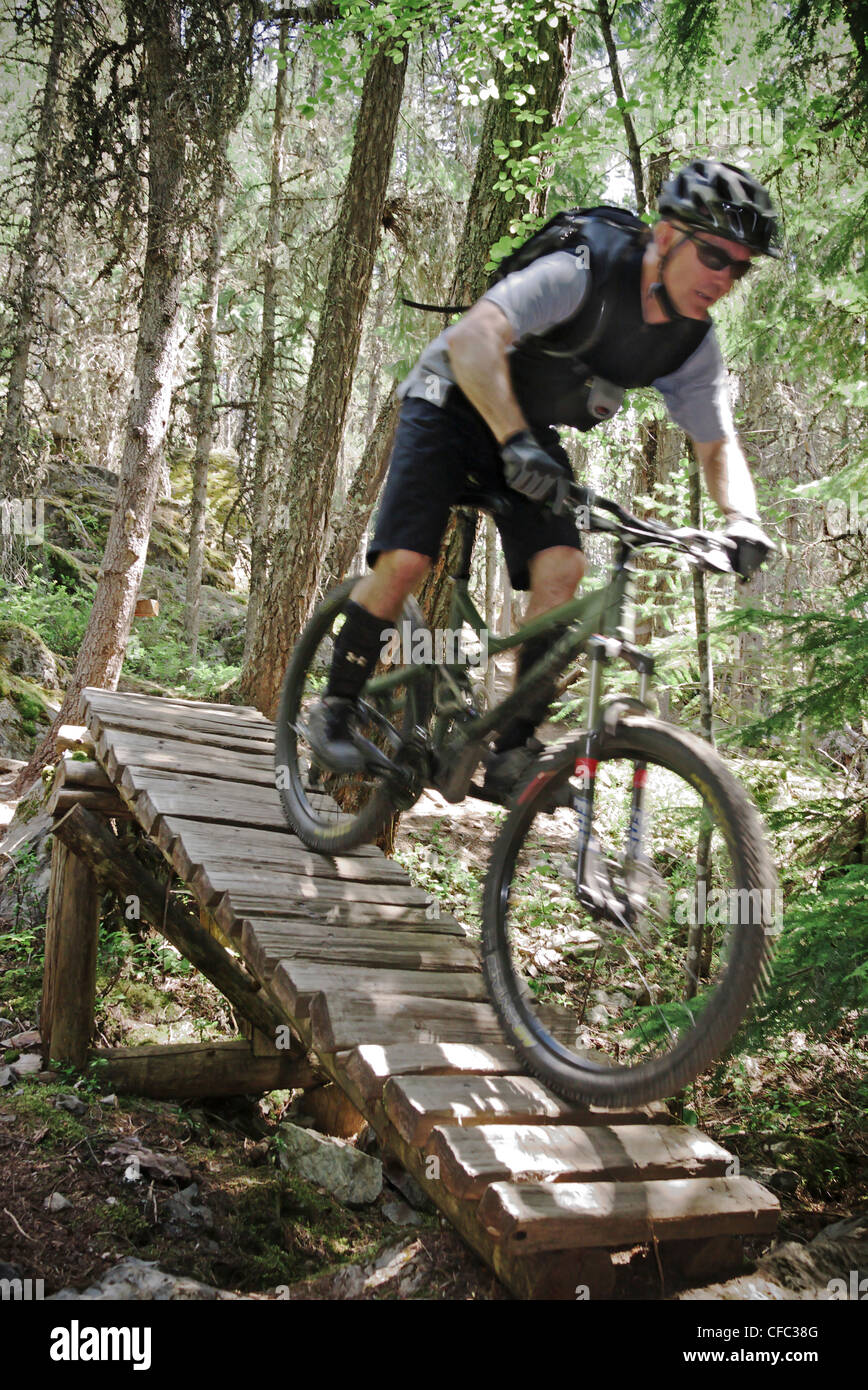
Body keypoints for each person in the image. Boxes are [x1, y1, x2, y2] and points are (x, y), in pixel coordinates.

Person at [305, 159, 778, 799]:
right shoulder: (583, 270)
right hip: (448, 397)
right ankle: (333, 707)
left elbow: (717, 443)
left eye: (742, 267)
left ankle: (511, 753)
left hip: (524, 431)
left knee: (562, 570)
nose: (727, 278)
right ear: (667, 236)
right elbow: (475, 338)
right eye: (717, 255)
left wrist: (742, 522)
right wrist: (515, 442)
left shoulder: (691, 343)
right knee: (409, 561)